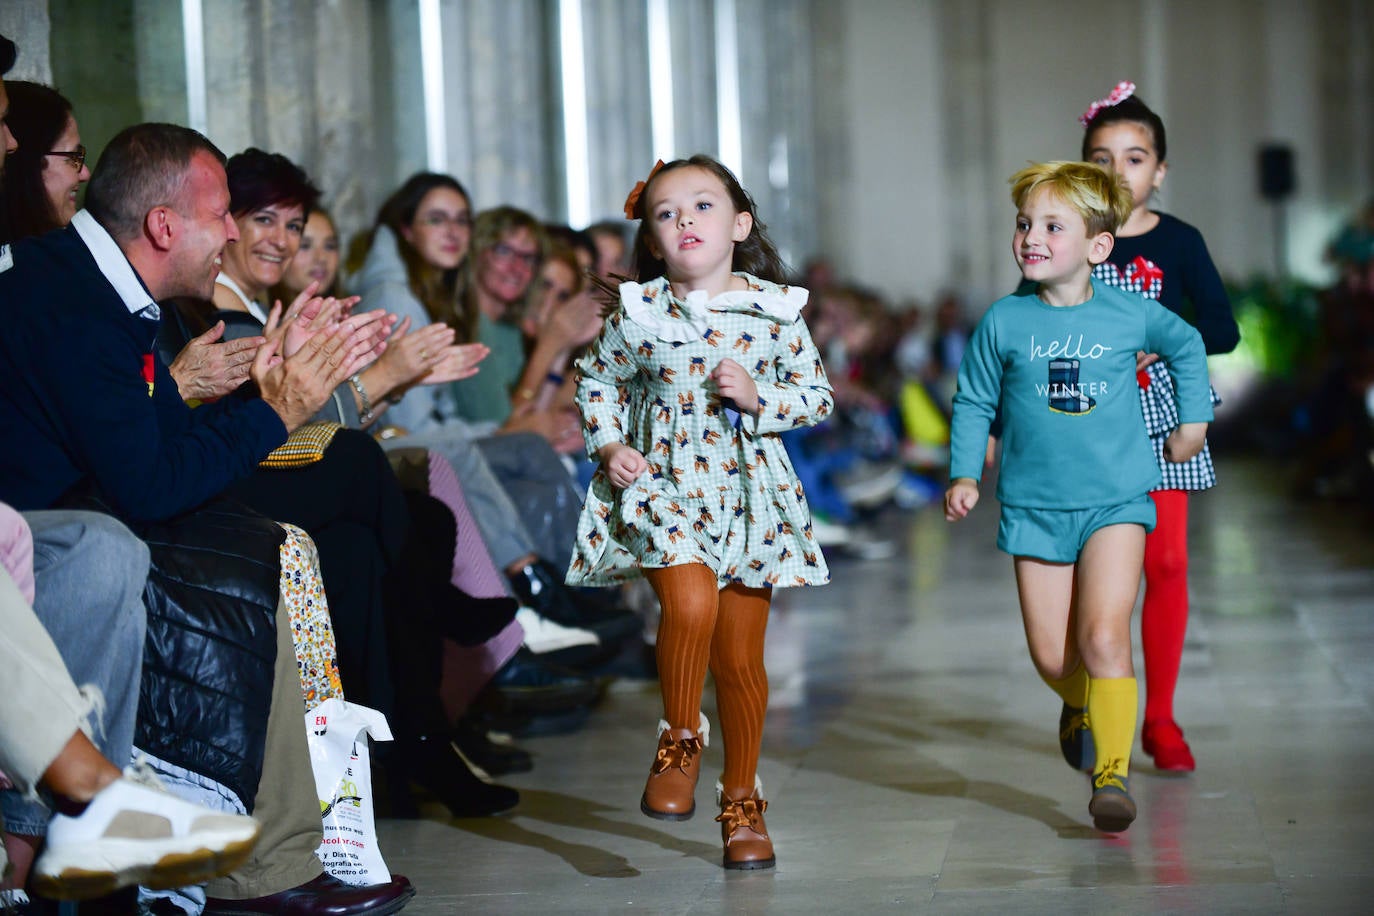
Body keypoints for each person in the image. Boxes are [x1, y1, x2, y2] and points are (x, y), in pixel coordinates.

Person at [0, 120, 413, 914]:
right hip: (52, 533)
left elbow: (143, 452)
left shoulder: (97, 286)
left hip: (81, 512)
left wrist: (260, 395)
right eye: (223, 213)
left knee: (283, 539)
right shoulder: (73, 302)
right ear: (162, 226)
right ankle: (259, 868)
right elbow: (147, 486)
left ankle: (293, 849)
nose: (232, 232)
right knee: (264, 551)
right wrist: (274, 407)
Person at [567, 155, 835, 870]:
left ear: (740, 223)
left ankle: (741, 802)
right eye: (665, 211)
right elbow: (598, 381)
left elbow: (816, 397)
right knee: (687, 604)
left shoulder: (776, 311)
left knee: (741, 663)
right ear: (652, 241)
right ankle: (680, 737)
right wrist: (612, 442)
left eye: (702, 206)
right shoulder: (640, 313)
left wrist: (759, 397)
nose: (685, 219)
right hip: (665, 486)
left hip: (752, 497)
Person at [943, 160, 1213, 833]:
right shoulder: (1004, 321)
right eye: (1024, 223)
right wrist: (965, 474)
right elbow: (974, 400)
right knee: (1054, 657)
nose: (1031, 236)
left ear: (1097, 246)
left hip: (1116, 503)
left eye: (1051, 225)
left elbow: (1187, 343)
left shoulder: (1128, 314)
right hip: (1033, 507)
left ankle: (1112, 775)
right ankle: (1079, 701)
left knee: (1102, 634)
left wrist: (1193, 421)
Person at [1080, 81, 1240, 772]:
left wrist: (1162, 336)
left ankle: (1162, 719)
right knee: (1093, 571)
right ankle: (1093, 697)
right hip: (1085, 420)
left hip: (1163, 415)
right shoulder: (1069, 235)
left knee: (1167, 561)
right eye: (1102, 157)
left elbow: (1224, 330)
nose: (1119, 172)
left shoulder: (1179, 242)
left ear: (1160, 170)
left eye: (1135, 157)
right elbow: (1030, 326)